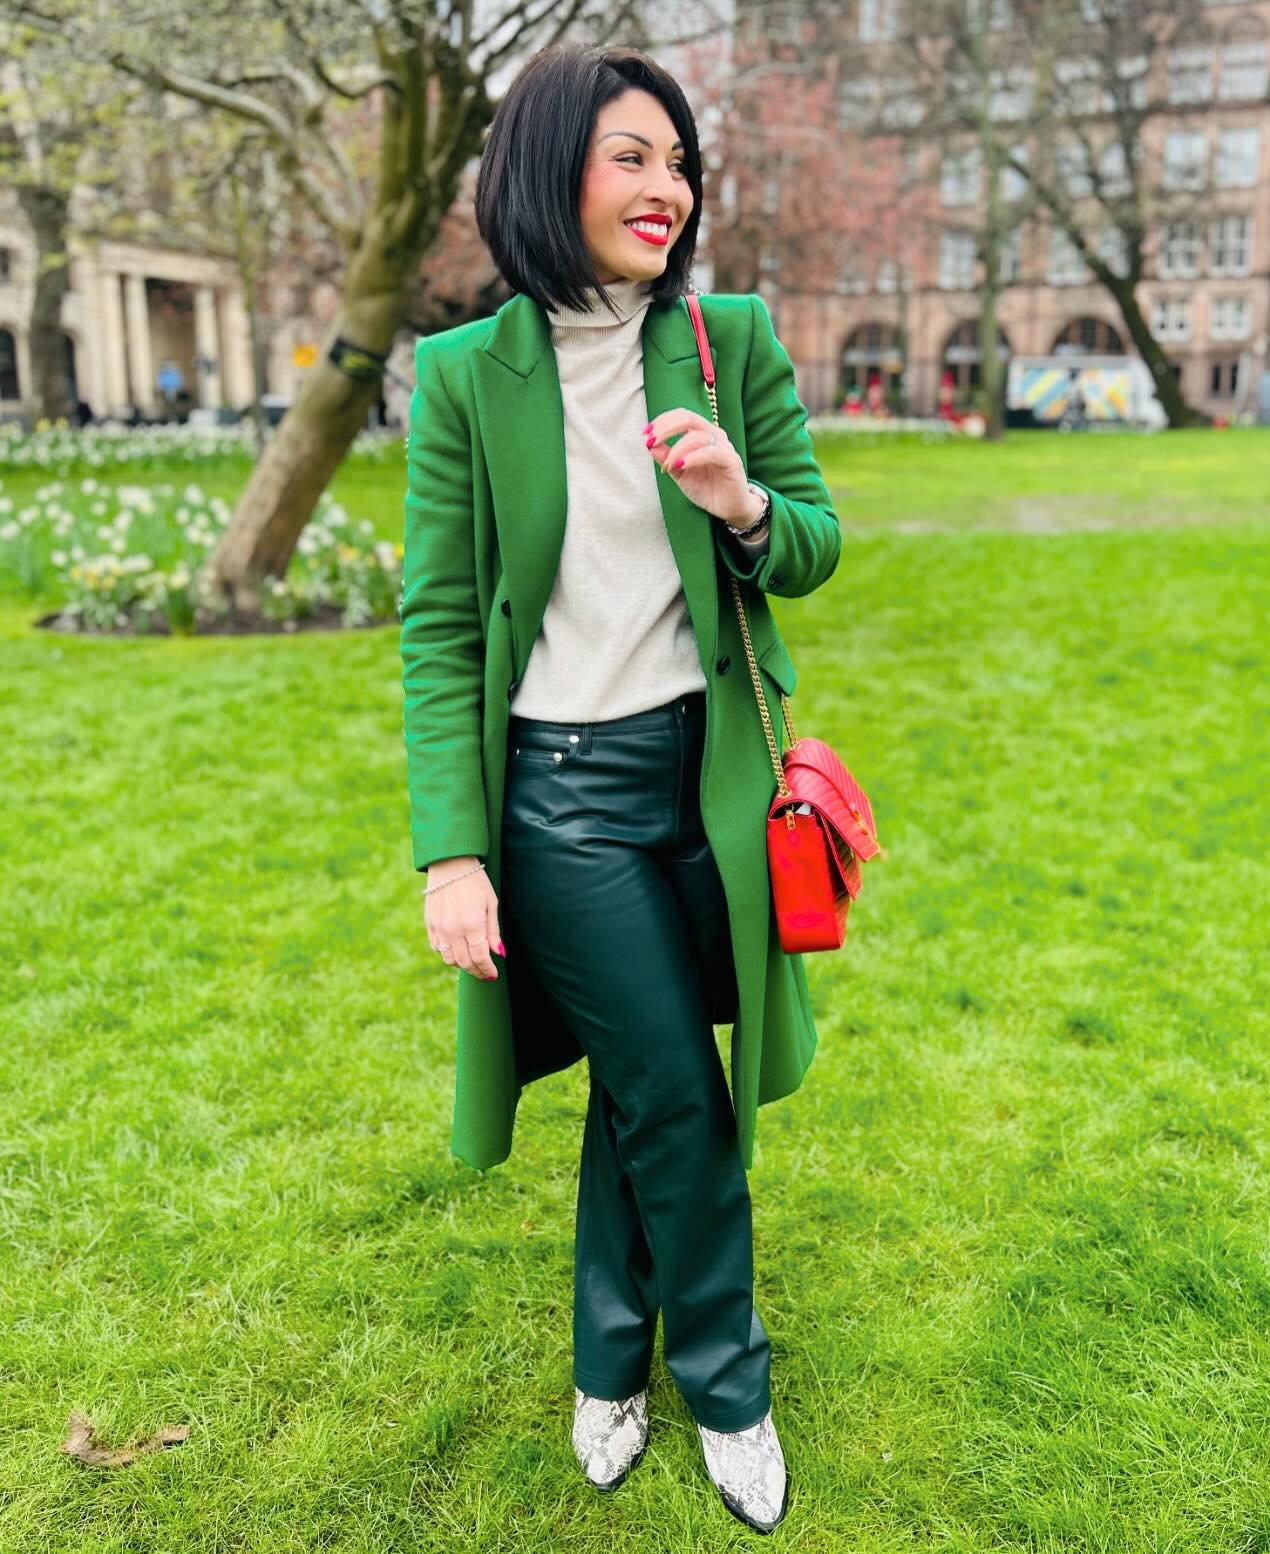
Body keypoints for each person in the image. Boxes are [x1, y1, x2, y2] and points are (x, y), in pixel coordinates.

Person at [397, 42, 842, 1534]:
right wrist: (452, 853)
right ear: (547, 170)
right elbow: (444, 626)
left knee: (637, 1084)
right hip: (564, 800)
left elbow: (815, 542)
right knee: (672, 1086)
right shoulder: (466, 378)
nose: (669, 187)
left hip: (705, 779)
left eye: (678, 160)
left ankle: (607, 1356)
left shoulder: (727, 338)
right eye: (631, 156)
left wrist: (746, 501)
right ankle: (727, 1381)